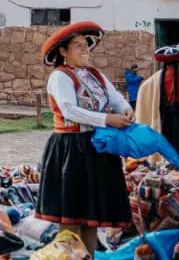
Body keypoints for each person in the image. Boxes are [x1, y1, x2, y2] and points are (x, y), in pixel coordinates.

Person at [34, 20, 134, 256]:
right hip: (71, 149)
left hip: (96, 148)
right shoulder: (60, 77)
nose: (85, 49)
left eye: (86, 45)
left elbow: (115, 97)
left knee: (91, 216)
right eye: (78, 45)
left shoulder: (94, 75)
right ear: (63, 51)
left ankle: (87, 256)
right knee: (70, 216)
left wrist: (126, 109)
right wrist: (108, 120)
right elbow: (70, 110)